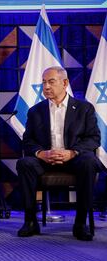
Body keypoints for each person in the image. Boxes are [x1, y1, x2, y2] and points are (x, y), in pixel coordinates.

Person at [16, 66, 102, 241]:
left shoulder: (84, 109)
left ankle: (80, 223)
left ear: (65, 83)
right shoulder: (35, 111)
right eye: (43, 82)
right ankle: (30, 221)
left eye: (51, 82)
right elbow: (28, 141)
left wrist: (72, 152)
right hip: (45, 160)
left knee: (89, 161)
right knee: (25, 163)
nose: (46, 87)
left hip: (74, 159)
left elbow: (94, 138)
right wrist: (41, 153)